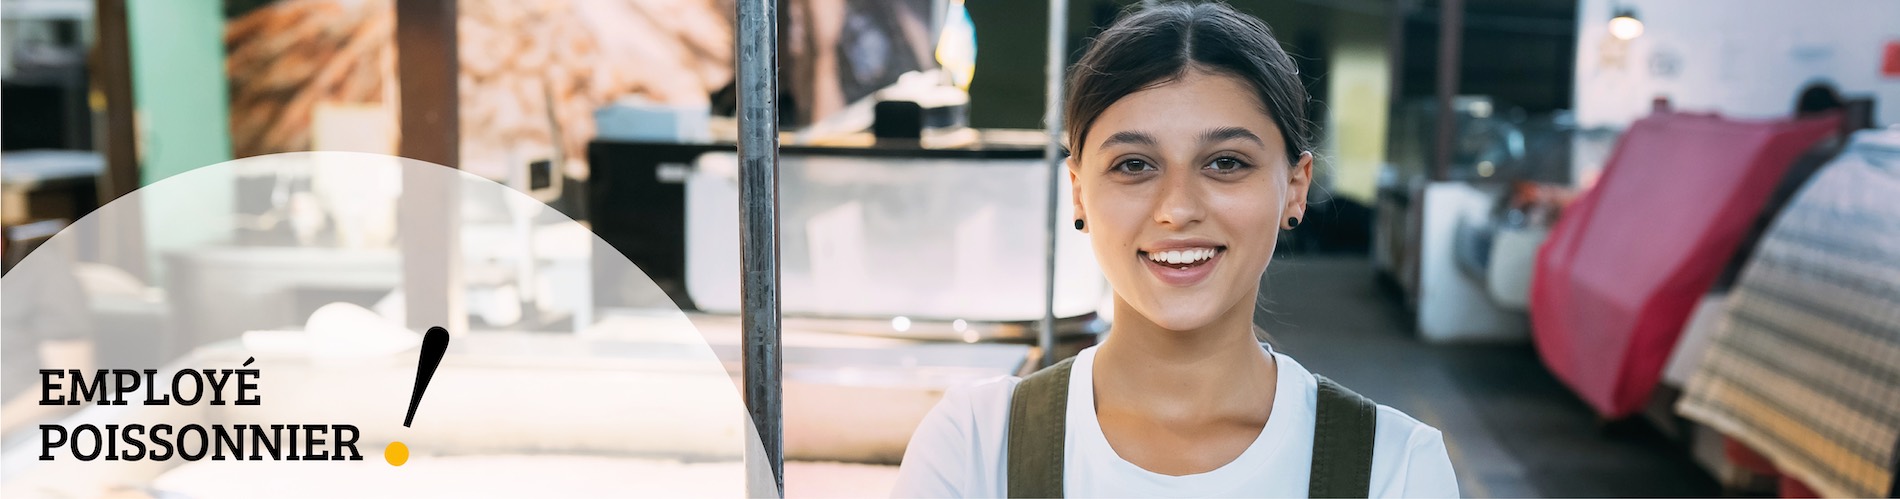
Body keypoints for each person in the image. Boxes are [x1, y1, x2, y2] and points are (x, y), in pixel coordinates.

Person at [892, 2, 1458, 497]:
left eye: (1226, 163)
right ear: (1078, 192)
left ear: (1295, 187)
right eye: (1133, 165)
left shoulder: (1395, 468)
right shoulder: (974, 447)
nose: (1177, 207)